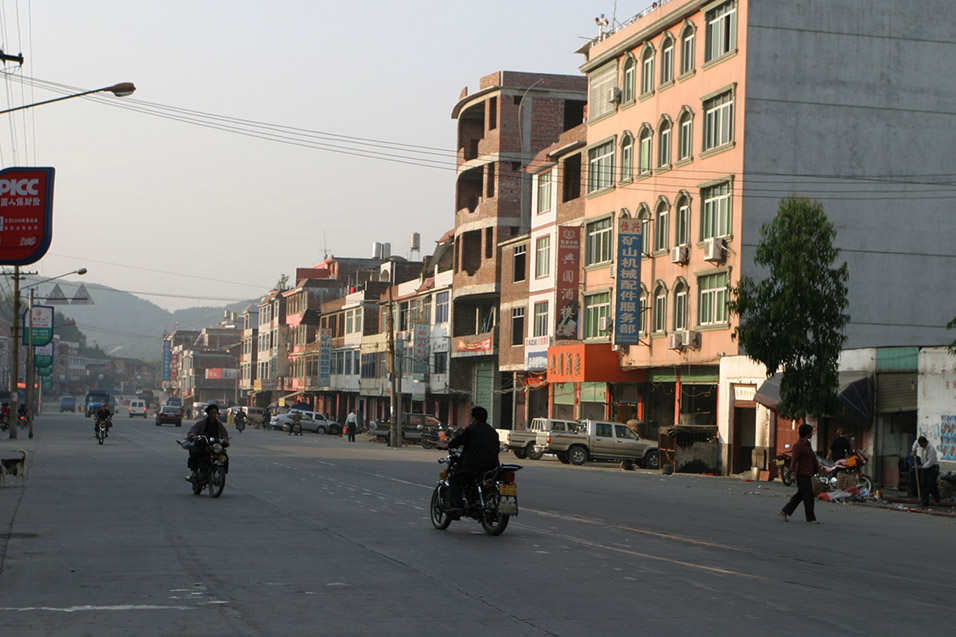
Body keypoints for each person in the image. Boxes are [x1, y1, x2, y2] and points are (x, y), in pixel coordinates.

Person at [439, 406, 500, 511]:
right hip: (492, 468)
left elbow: (459, 440)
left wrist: (446, 446)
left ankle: (457, 506)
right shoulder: (493, 432)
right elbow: (497, 449)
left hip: (473, 467)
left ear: (474, 418)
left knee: (454, 480)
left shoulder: (471, 429)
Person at [779, 423, 821, 524]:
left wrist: (817, 468)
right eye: (811, 432)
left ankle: (785, 511)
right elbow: (794, 460)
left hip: (808, 472)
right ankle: (811, 518)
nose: (812, 433)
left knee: (800, 495)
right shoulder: (798, 446)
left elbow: (812, 457)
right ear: (807, 434)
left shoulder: (808, 444)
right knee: (808, 496)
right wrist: (793, 473)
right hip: (801, 474)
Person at [186, 404, 230, 483]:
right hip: (203, 443)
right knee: (196, 453)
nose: (214, 415)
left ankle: (222, 473)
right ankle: (195, 473)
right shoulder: (201, 423)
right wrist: (194, 436)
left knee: (224, 456)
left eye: (215, 413)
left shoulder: (219, 424)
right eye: (212, 413)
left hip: (215, 445)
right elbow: (193, 430)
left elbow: (225, 434)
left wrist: (226, 440)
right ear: (208, 413)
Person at [913, 435, 940, 507]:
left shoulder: (931, 449)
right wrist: (914, 450)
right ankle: (925, 502)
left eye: (922, 445)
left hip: (932, 468)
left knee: (931, 485)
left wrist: (921, 467)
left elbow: (930, 462)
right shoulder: (919, 443)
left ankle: (937, 499)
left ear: (925, 443)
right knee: (923, 484)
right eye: (920, 445)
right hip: (924, 467)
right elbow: (915, 444)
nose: (921, 446)